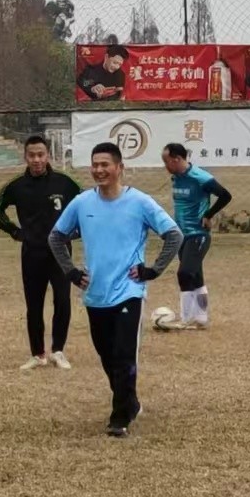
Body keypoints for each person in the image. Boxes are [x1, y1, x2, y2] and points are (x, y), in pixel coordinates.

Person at [48, 143, 183, 438]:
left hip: (129, 292)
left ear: (119, 167)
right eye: (95, 164)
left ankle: (119, 416)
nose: (99, 170)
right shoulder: (82, 203)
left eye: (105, 164)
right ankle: (130, 401)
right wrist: (71, 271)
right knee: (107, 356)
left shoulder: (140, 202)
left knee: (123, 355)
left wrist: (152, 270)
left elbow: (174, 234)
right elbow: (56, 237)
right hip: (96, 294)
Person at [0, 134, 83, 369]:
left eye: (41, 155)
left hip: (60, 253)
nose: (37, 160)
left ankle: (58, 351)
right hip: (32, 253)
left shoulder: (64, 183)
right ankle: (37, 354)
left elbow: (88, 207)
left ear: (48, 155)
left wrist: (76, 232)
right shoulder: (17, 186)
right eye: (32, 155)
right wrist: (14, 231)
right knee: (34, 305)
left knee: (62, 301)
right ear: (25, 157)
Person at [161, 143, 234, 328]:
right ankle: (201, 317)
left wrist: (208, 215)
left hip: (198, 234)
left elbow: (225, 195)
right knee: (195, 276)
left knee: (185, 273)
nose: (165, 166)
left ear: (177, 159)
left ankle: (186, 319)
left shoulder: (200, 177)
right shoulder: (176, 177)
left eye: (166, 161)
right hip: (181, 235)